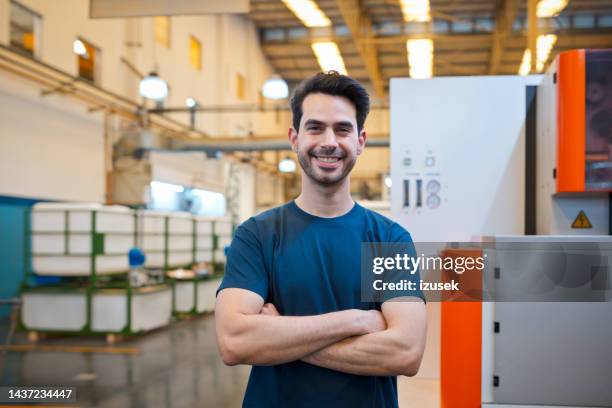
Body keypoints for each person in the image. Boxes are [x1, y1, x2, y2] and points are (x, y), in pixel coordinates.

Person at [215, 71, 427, 407]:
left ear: (360, 141)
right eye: (315, 127)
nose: (329, 141)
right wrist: (355, 320)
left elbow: (406, 352)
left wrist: (279, 333)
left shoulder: (389, 239)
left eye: (343, 129)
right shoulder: (257, 235)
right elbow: (234, 342)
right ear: (294, 137)